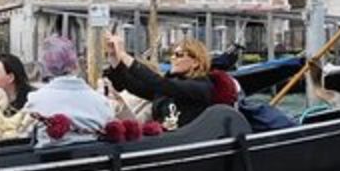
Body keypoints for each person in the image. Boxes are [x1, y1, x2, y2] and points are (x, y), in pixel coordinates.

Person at [104, 34, 235, 127]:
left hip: (183, 146)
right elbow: (133, 86)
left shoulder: (200, 86)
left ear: (195, 62)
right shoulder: (169, 86)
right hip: (164, 141)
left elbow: (159, 83)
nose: (173, 58)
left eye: (178, 55)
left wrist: (124, 55)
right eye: (172, 54)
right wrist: (114, 57)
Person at [25, 35, 113, 148]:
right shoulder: (100, 101)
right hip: (95, 163)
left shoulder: (35, 100)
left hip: (47, 163)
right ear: (75, 64)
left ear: (45, 66)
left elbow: (25, 136)